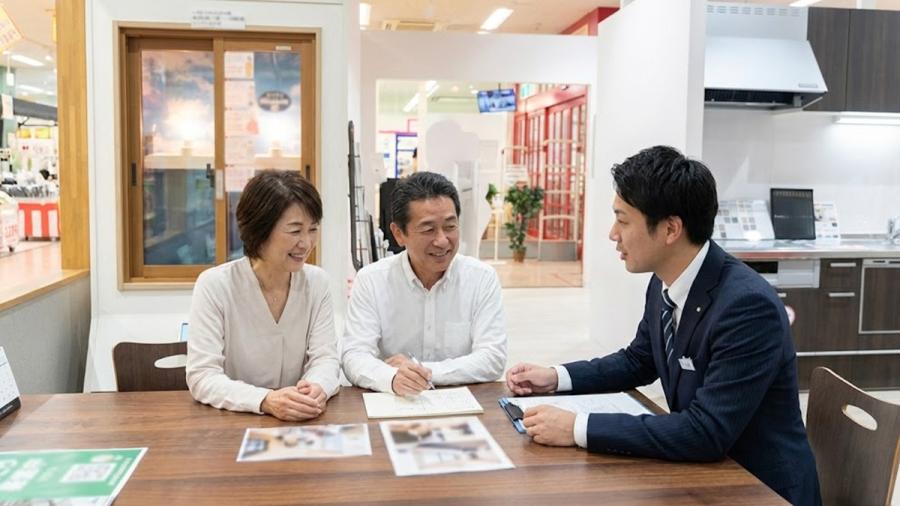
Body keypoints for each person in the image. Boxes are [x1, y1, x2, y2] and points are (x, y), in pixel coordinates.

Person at [506, 146, 821, 506]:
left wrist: (577, 427)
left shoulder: (747, 307)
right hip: (706, 476)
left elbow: (706, 431)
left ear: (670, 229)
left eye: (623, 221)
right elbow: (639, 360)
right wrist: (556, 377)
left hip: (759, 489)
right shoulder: (665, 281)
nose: (612, 234)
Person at [186, 170, 340, 421]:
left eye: (312, 229)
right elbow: (202, 376)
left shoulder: (317, 283)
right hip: (235, 422)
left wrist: (316, 387)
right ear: (260, 230)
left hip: (301, 421)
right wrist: (265, 400)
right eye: (295, 231)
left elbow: (325, 358)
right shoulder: (215, 285)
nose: (306, 243)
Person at [342, 171, 507, 395]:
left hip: (461, 403)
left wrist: (420, 371)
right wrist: (392, 379)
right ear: (399, 234)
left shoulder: (481, 278)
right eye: (428, 229)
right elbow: (354, 355)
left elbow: (493, 357)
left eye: (450, 226)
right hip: (394, 401)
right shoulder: (372, 280)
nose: (442, 241)